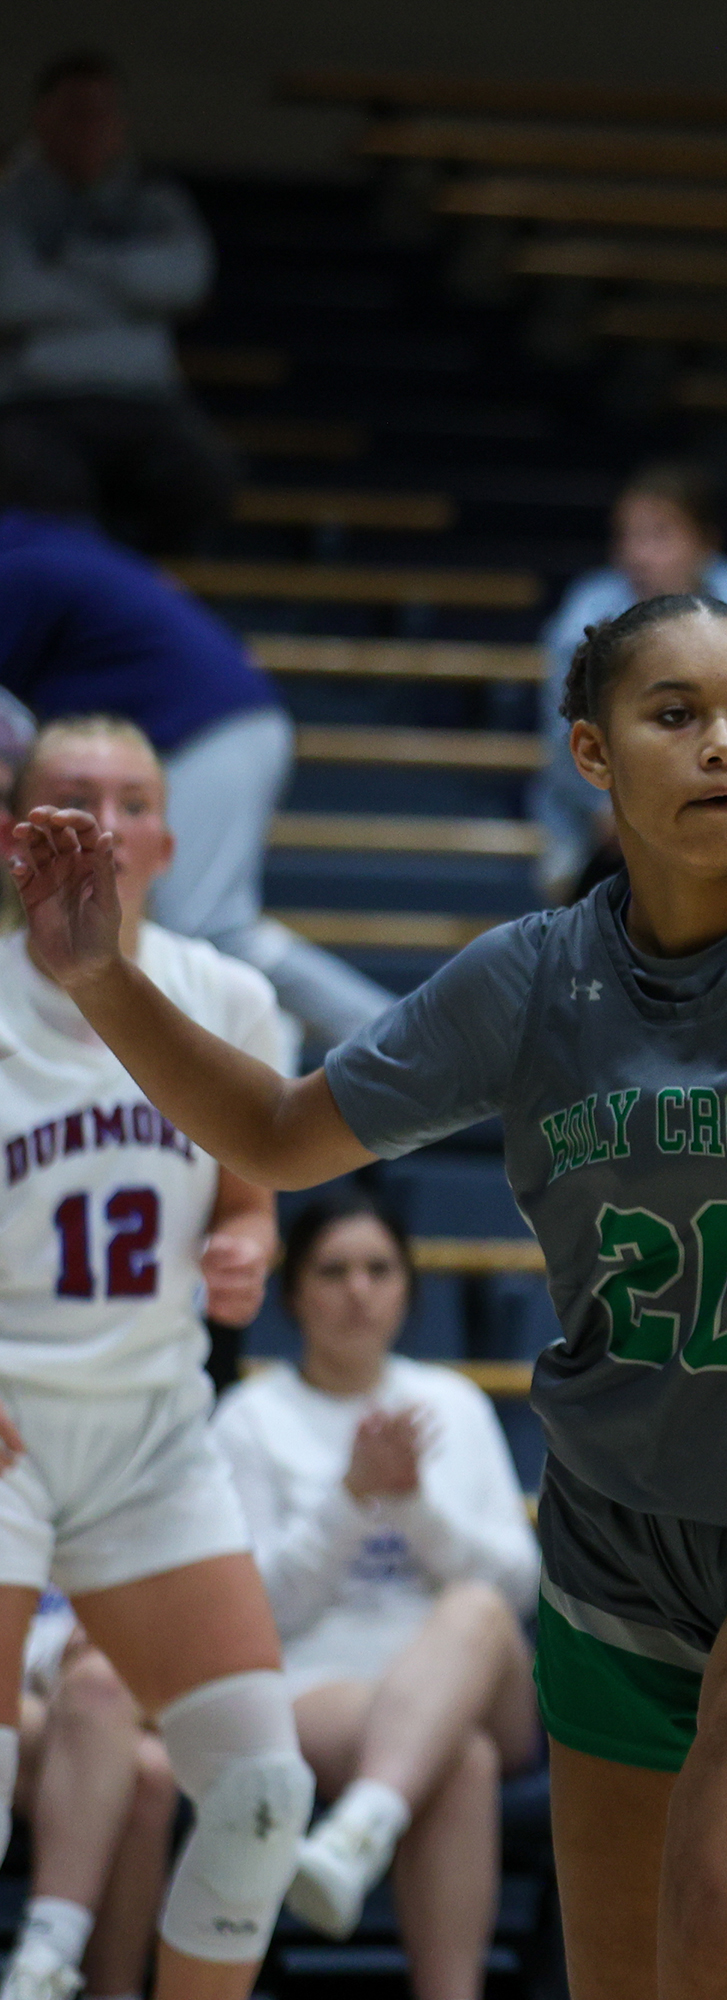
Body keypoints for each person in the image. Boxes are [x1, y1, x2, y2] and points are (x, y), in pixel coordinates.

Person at [8, 376, 727, 2000]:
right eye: (676, 715)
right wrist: (102, 981)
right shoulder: (527, 982)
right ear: (592, 752)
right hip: (610, 1549)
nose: (723, 743)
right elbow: (284, 1131)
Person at [0, 714, 309, 2000]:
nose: (104, 825)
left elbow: (251, 1198)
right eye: (71, 800)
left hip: (150, 1431)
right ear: (16, 841)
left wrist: (249, 1244)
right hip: (8, 1419)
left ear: (169, 843)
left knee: (258, 1795)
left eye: (130, 802)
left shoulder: (229, 997)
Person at [207, 1190, 541, 1997]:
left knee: (480, 1610)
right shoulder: (250, 1417)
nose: (357, 1289)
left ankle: (362, 1821)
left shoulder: (451, 1406)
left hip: (467, 1675)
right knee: (458, 1759)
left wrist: (414, 1506)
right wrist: (350, 1500)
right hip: (316, 1682)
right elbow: (250, 1613)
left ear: (406, 1290)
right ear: (294, 1295)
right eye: (333, 1271)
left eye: (378, 1270)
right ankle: (378, 1832)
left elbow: (520, 1583)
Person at [0, 510, 393, 1047]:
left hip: (208, 730)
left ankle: (403, 1044)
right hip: (225, 721)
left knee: (210, 930)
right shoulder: (46, 544)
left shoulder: (20, 566)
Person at [531, 462, 727, 902]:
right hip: (597, 825)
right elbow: (562, 738)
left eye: (659, 536)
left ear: (706, 542)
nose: (637, 555)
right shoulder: (583, 618)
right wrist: (608, 806)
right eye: (626, 537)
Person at [0, 51, 232, 557]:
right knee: (38, 481)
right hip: (36, 404)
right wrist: (126, 289)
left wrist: (70, 266)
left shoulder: (156, 201)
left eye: (101, 113)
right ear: (42, 120)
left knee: (204, 472)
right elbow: (11, 296)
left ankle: (156, 600)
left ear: (120, 124)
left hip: (144, 401)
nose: (90, 127)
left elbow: (184, 281)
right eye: (74, 113)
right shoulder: (11, 202)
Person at [3, 1617, 179, 2000]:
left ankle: (44, 1964)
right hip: (20, 1691)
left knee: (149, 1771)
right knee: (101, 1685)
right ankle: (50, 1963)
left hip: (95, 1703)